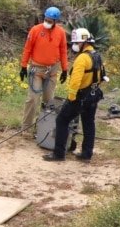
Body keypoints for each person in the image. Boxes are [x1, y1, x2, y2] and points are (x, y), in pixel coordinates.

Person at [45, 28, 106, 162]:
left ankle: (59, 154)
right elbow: (102, 76)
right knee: (89, 124)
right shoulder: (97, 55)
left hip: (80, 97)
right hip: (93, 95)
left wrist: (71, 97)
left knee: (62, 120)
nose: (75, 45)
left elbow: (75, 81)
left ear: (83, 43)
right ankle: (86, 154)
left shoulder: (82, 58)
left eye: (77, 42)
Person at [20, 6, 69, 132]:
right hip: (36, 69)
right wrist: (23, 66)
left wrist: (65, 69)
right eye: (46, 19)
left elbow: (63, 51)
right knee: (33, 99)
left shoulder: (61, 33)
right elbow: (27, 49)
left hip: (52, 70)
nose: (47, 22)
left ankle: (44, 129)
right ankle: (26, 128)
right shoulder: (35, 30)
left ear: (55, 21)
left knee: (48, 101)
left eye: (50, 21)